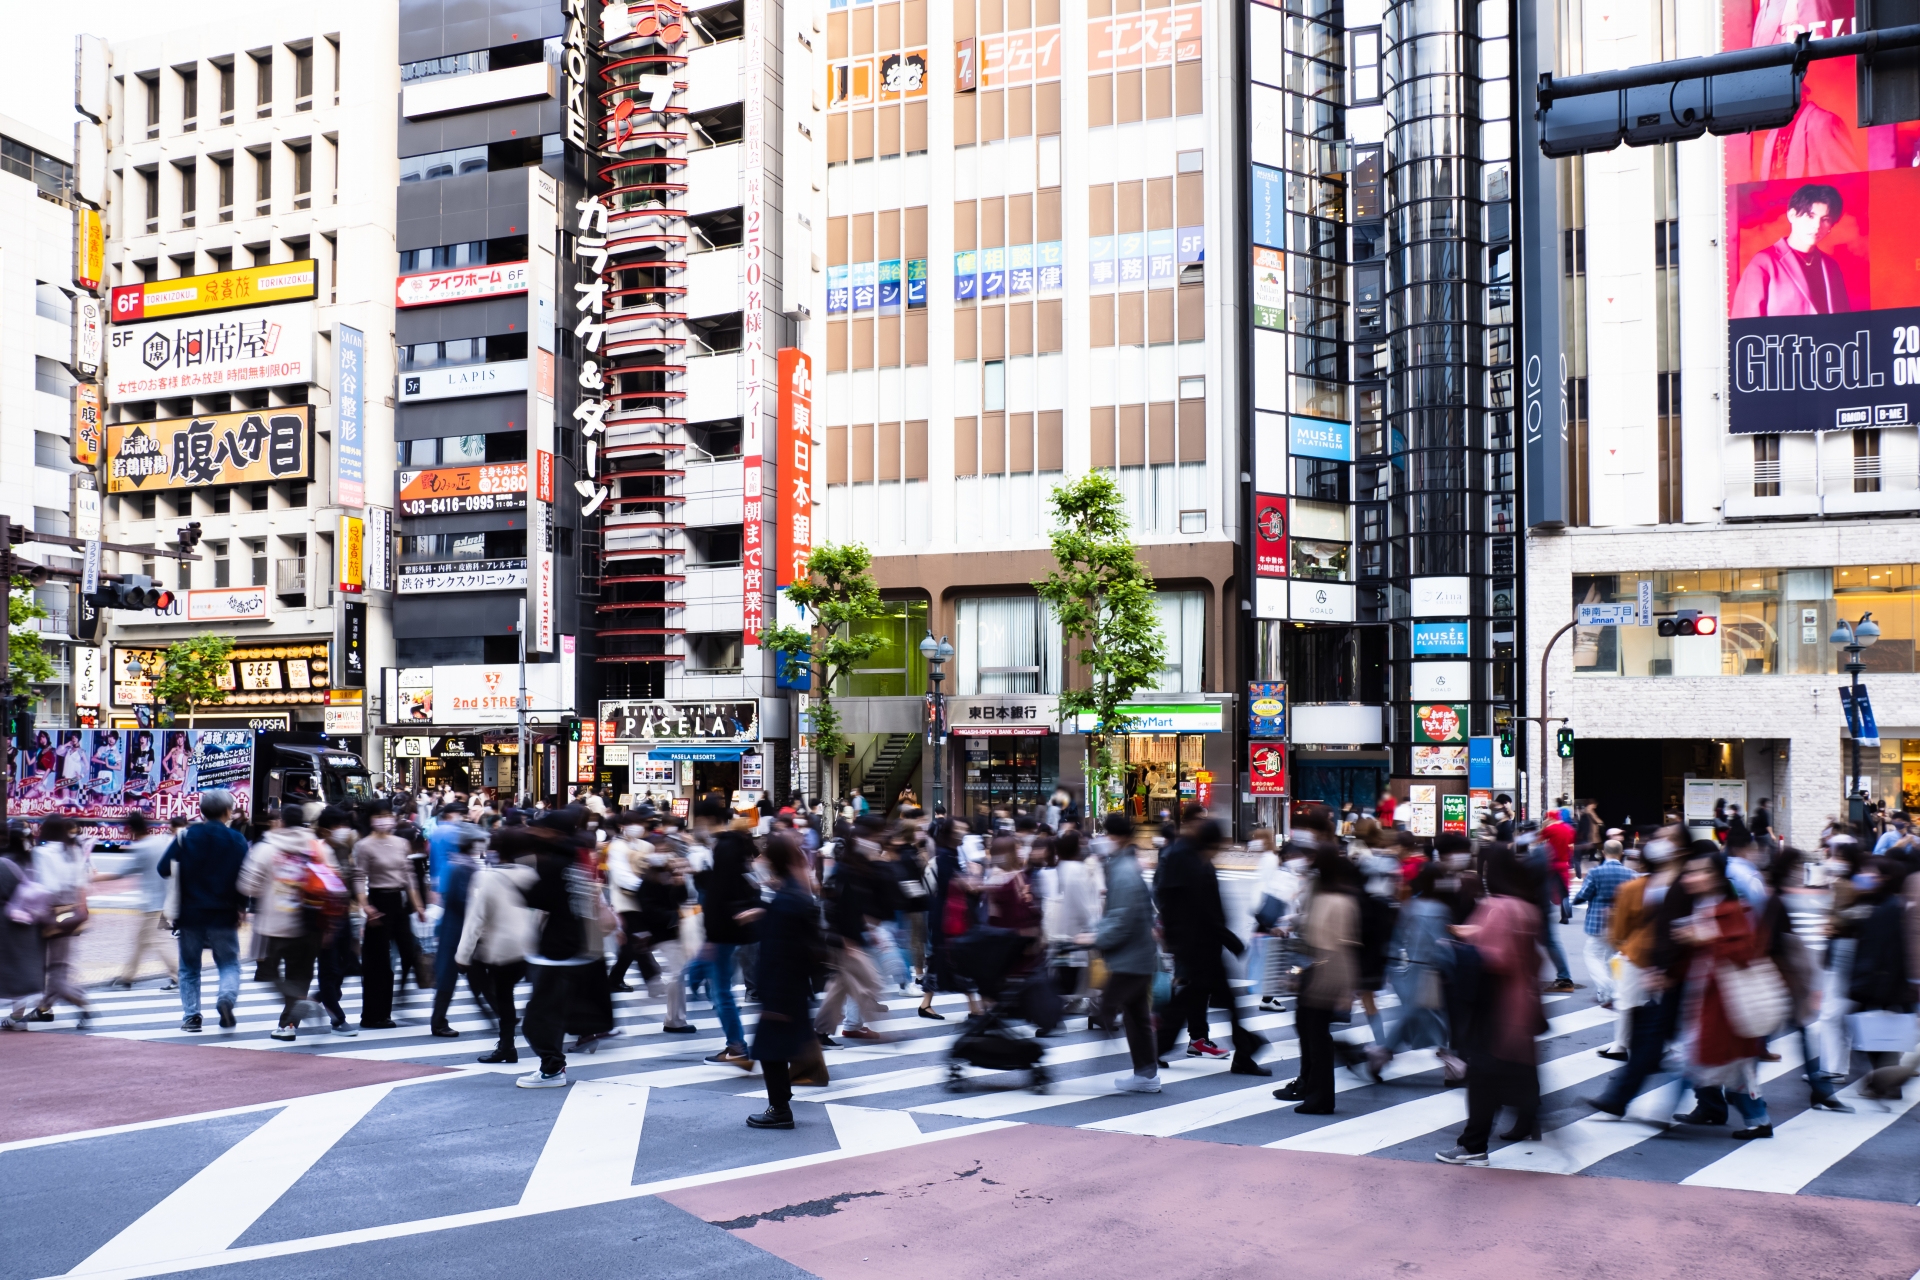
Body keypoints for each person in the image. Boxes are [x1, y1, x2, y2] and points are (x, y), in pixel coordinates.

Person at [1437, 847, 1547, 1164]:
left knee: (1483, 1077)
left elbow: (1498, 958)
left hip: (1495, 1005)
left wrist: (1460, 947)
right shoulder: (1528, 908)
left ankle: (1473, 1145)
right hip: (1523, 1002)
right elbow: (1533, 957)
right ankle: (1528, 1118)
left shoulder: (1497, 907)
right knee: (1517, 1068)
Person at [1667, 852, 1775, 1139]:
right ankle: (1755, 1119)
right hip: (1709, 998)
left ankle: (1661, 1113)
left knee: (1709, 1061)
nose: (1690, 878)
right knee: (1727, 1065)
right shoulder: (1705, 905)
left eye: (1698, 871)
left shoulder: (1731, 908)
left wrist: (1706, 937)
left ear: (1715, 877)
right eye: (1689, 872)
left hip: (1728, 1002)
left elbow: (1744, 952)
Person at [514, 812, 612, 1088]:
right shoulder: (579, 859)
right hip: (579, 948)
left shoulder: (553, 863)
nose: (534, 833)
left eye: (540, 829)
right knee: (554, 1011)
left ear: (554, 833)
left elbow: (535, 898)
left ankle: (552, 1068)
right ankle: (557, 1061)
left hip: (557, 950)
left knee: (538, 1017)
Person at [238, 808, 342, 1041]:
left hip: (273, 926)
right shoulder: (318, 848)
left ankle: (296, 1001)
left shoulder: (266, 848)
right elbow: (335, 883)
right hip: (310, 924)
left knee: (268, 972)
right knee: (301, 975)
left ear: (281, 822)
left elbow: (247, 886)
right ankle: (288, 1025)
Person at [747, 833, 826, 1129]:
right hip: (794, 985)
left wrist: (769, 993)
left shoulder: (786, 901)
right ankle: (782, 1101)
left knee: (771, 1049)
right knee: (784, 1043)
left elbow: (778, 949)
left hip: (782, 987)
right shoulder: (795, 892)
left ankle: (779, 1109)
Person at [158, 790, 251, 1032]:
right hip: (224, 913)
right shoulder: (237, 839)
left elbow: (163, 869)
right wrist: (242, 906)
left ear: (201, 811)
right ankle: (226, 999)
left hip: (190, 913)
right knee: (228, 963)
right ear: (228, 811)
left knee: (189, 967)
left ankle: (192, 1017)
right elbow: (245, 877)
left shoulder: (186, 836)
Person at [1279, 846, 1360, 1113]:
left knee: (1316, 1035)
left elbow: (1342, 945)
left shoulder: (1335, 900)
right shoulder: (1330, 896)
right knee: (1311, 1031)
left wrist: (1345, 987)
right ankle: (1315, 1094)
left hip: (1326, 972)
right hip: (1318, 969)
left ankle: (1320, 1098)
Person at [689, 801, 762, 1068]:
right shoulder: (733, 844)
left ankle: (736, 1046)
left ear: (707, 818)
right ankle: (735, 1044)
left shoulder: (725, 846)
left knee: (721, 990)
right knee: (707, 979)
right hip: (729, 928)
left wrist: (712, 934)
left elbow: (721, 893)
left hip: (723, 930)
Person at [1089, 818, 1160, 1091]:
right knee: (1135, 1015)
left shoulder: (1124, 871)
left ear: (1116, 837)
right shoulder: (1123, 866)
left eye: (1106, 834)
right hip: (1136, 955)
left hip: (1130, 958)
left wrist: (1095, 937)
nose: (1102, 839)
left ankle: (1138, 1073)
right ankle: (1146, 1074)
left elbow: (1121, 919)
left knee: (1109, 1009)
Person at [455, 836, 538, 1064]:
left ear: (497, 852)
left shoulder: (486, 877)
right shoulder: (531, 875)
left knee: (504, 997)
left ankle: (507, 1047)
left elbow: (475, 919)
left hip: (503, 948)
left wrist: (463, 955)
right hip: (531, 945)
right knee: (536, 995)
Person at [815, 823, 898, 1045]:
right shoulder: (846, 868)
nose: (876, 842)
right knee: (870, 984)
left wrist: (866, 929)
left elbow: (862, 903)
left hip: (854, 937)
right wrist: (844, 938)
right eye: (874, 836)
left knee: (841, 987)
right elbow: (834, 905)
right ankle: (881, 1032)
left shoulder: (862, 866)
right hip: (846, 940)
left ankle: (824, 1031)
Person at [1731, 183, 1852, 318]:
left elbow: (1844, 320)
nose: (1817, 226)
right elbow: (1746, 323)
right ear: (1792, 215)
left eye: (1825, 219)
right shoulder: (1763, 263)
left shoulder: (1831, 267)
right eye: (1810, 216)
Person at [355, 807, 428, 1030]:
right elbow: (359, 877)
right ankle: (373, 1015)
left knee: (409, 951)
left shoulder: (401, 843)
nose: (383, 819)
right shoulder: (364, 845)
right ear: (370, 819)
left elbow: (409, 875)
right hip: (378, 901)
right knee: (378, 962)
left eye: (386, 815)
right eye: (378, 815)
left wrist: (418, 905)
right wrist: (366, 906)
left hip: (399, 902)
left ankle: (387, 1009)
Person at [113, 812, 180, 990]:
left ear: (131, 829)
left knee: (158, 940)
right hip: (164, 899)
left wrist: (93, 879)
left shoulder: (142, 847)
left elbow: (120, 872)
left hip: (152, 904)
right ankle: (127, 976)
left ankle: (178, 975)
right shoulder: (159, 841)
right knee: (141, 941)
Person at [1572, 840, 1635, 1008]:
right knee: (1613, 958)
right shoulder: (1631, 874)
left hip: (1599, 921)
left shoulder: (1596, 872)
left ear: (1604, 853)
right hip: (1621, 922)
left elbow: (1584, 894)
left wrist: (1576, 901)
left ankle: (1608, 987)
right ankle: (1606, 994)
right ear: (1621, 854)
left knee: (1592, 954)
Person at [1, 823, 49, 1030]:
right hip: (32, 924)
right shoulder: (34, 862)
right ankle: (18, 1017)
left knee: (10, 969)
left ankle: (17, 1017)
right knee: (22, 969)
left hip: (8, 925)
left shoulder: (4, 863)